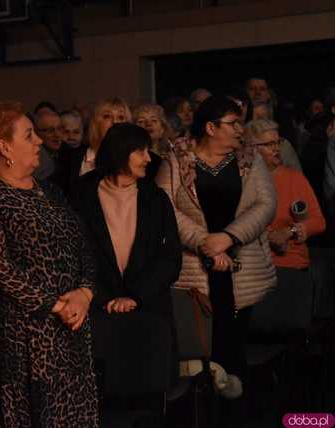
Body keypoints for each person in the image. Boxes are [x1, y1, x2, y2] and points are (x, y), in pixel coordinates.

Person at [0, 101, 99, 427]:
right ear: (5, 147)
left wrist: (84, 293)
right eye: (29, 135)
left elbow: (83, 248)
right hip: (19, 342)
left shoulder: (50, 191)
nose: (38, 140)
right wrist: (55, 305)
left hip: (70, 334)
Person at [156, 96, 276, 426]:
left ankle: (237, 417)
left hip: (241, 270)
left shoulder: (249, 158)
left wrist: (228, 237)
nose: (241, 128)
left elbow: (265, 205)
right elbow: (166, 208)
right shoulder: (177, 158)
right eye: (233, 122)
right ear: (210, 128)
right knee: (203, 356)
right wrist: (205, 242)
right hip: (197, 274)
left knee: (235, 351)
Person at [71, 123, 181, 394]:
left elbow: (169, 258)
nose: (148, 158)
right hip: (97, 312)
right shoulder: (80, 194)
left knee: (147, 396)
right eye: (141, 151)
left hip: (148, 311)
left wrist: (135, 296)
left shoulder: (155, 198)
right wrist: (104, 297)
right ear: (121, 152)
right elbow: (72, 255)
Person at [245, 119, 326, 330]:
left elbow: (318, 221)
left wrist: (289, 232)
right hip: (253, 268)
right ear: (251, 148)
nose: (276, 149)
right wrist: (269, 235)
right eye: (268, 144)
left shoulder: (294, 178)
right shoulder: (242, 179)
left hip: (290, 265)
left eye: (277, 142)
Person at [64, 97, 132, 195]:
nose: (115, 122)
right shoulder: (72, 158)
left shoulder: (136, 159)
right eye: (107, 116)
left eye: (121, 117)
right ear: (96, 123)